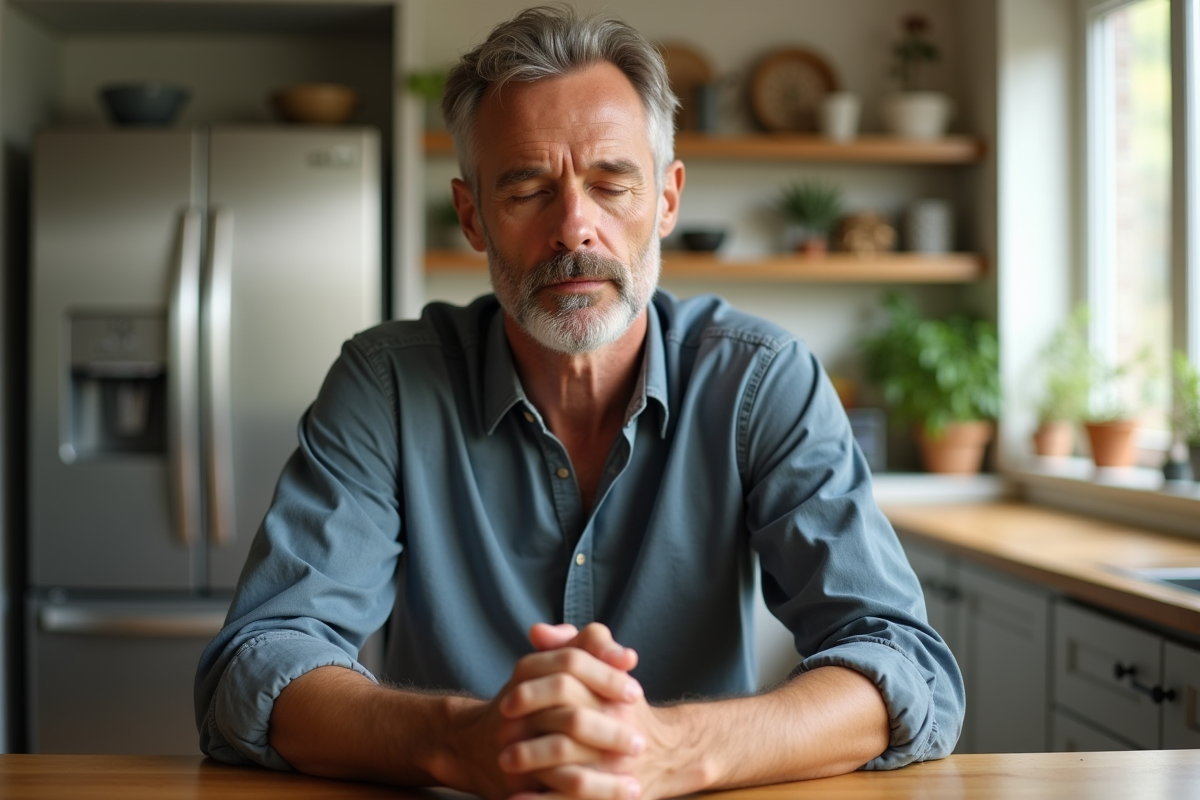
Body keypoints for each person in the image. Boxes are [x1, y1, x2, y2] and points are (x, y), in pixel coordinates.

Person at [194, 6, 964, 799]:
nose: (574, 228)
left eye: (611, 183)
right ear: (473, 216)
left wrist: (675, 747)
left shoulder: (762, 381)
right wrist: (460, 743)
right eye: (528, 187)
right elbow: (259, 664)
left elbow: (901, 663)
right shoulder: (384, 386)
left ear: (666, 201)